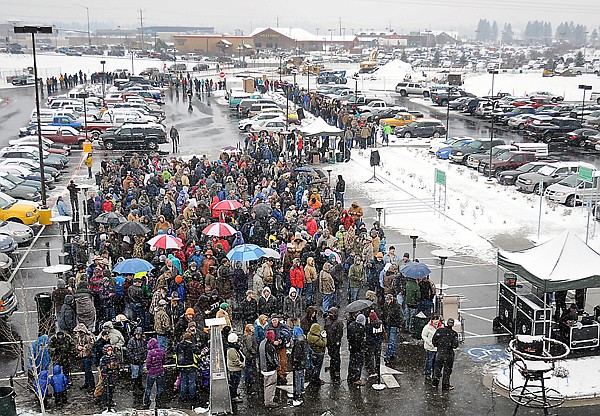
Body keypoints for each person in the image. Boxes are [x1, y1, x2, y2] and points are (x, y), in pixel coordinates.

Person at [432, 318, 459, 391]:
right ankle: (445, 385)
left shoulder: (439, 331)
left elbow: (434, 341)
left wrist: (439, 345)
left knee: (437, 369)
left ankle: (435, 383)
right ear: (453, 324)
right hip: (448, 354)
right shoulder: (454, 334)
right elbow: (455, 345)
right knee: (447, 370)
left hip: (440, 353)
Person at [175, 331, 200, 402]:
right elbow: (198, 353)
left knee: (183, 381)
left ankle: (183, 396)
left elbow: (175, 354)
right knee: (192, 382)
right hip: (191, 365)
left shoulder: (179, 345)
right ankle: (192, 396)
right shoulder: (192, 345)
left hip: (181, 366)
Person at [258, 329, 279, 408]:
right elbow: (272, 359)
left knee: (266, 384)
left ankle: (267, 398)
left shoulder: (262, 343)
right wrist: (276, 365)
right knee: (270, 385)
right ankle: (269, 401)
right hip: (270, 369)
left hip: (263, 367)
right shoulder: (269, 346)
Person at [143, 338, 166, 409]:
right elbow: (164, 361)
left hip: (152, 372)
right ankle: (158, 400)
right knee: (160, 387)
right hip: (160, 372)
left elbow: (148, 363)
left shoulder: (150, 352)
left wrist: (148, 368)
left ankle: (146, 401)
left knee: (149, 388)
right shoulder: (162, 351)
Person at [382, 294, 404, 364]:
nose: (387, 302)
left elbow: (401, 316)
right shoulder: (386, 305)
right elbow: (384, 314)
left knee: (391, 340)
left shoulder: (397, 306)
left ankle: (388, 355)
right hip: (388, 324)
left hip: (394, 325)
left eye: (388, 300)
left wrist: (399, 326)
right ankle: (392, 353)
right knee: (391, 340)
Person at [73, 323, 95, 390]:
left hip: (88, 355)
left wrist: (85, 347)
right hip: (82, 355)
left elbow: (92, 344)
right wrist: (78, 347)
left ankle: (92, 385)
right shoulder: (78, 337)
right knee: (85, 370)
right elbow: (75, 344)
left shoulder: (89, 336)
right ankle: (87, 383)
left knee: (88, 371)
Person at [324, 306, 343, 379]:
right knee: (331, 355)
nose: (330, 315)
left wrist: (336, 341)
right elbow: (325, 328)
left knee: (336, 356)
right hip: (329, 341)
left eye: (331, 313)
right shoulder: (327, 319)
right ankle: (332, 366)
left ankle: (337, 370)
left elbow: (340, 333)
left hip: (335, 342)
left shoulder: (339, 322)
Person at [347, 313, 366, 386]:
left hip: (352, 348)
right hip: (358, 349)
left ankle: (350, 377)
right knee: (358, 364)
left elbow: (349, 337)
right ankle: (356, 379)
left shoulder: (351, 325)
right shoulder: (361, 329)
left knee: (352, 363)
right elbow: (361, 341)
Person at [421, 314, 442, 379]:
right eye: (434, 319)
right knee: (429, 361)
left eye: (437, 319)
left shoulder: (441, 327)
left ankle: (435, 373)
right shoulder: (427, 327)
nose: (436, 321)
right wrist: (429, 343)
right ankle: (428, 373)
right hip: (430, 348)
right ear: (432, 320)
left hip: (438, 348)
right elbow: (423, 335)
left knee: (437, 362)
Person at [226, 332, 245, 404]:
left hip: (235, 369)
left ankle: (234, 394)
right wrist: (242, 364)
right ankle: (234, 396)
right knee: (235, 383)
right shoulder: (232, 350)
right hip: (234, 369)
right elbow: (235, 360)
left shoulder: (233, 348)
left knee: (235, 382)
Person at [99, 344, 119, 412]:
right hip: (106, 376)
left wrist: (115, 366)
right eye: (108, 351)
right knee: (106, 389)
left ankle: (110, 400)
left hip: (113, 375)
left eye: (111, 350)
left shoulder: (114, 357)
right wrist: (107, 367)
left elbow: (117, 364)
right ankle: (104, 402)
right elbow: (102, 368)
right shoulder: (103, 358)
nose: (110, 352)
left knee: (112, 389)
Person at [126, 327, 147, 392]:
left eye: (139, 335)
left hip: (140, 361)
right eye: (137, 334)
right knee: (135, 375)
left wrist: (143, 357)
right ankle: (135, 387)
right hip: (134, 362)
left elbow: (145, 350)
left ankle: (139, 386)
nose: (138, 336)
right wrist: (134, 358)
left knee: (140, 374)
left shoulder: (143, 341)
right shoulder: (131, 341)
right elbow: (129, 352)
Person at [291, 326, 307, 406]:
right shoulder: (303, 339)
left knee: (297, 378)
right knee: (301, 376)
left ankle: (298, 394)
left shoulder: (298, 342)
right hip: (302, 363)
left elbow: (297, 355)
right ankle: (302, 389)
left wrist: (294, 362)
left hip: (298, 364)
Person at [365, 311, 384, 378]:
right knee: (377, 356)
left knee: (371, 356)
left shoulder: (369, 326)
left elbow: (368, 334)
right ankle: (377, 368)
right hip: (378, 342)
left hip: (371, 343)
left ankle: (372, 370)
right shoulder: (380, 323)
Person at [241, 324, 258, 392]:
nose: (253, 329)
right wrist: (254, 352)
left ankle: (249, 380)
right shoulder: (249, 337)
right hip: (249, 355)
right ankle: (249, 380)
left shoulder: (249, 336)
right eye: (252, 328)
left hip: (249, 355)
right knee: (249, 368)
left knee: (249, 367)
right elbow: (249, 347)